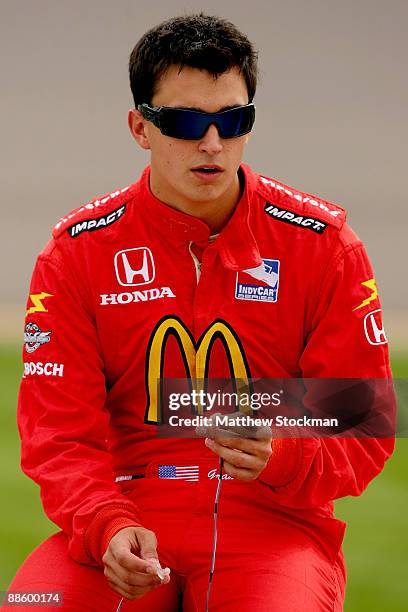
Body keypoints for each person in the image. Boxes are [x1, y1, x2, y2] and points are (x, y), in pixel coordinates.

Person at [4, 13, 394, 612]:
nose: (212, 144)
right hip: (127, 516)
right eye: (186, 122)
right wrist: (106, 522)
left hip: (273, 520)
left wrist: (283, 450)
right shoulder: (77, 254)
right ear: (140, 127)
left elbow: (363, 418)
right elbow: (58, 434)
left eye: (232, 121)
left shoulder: (322, 246)